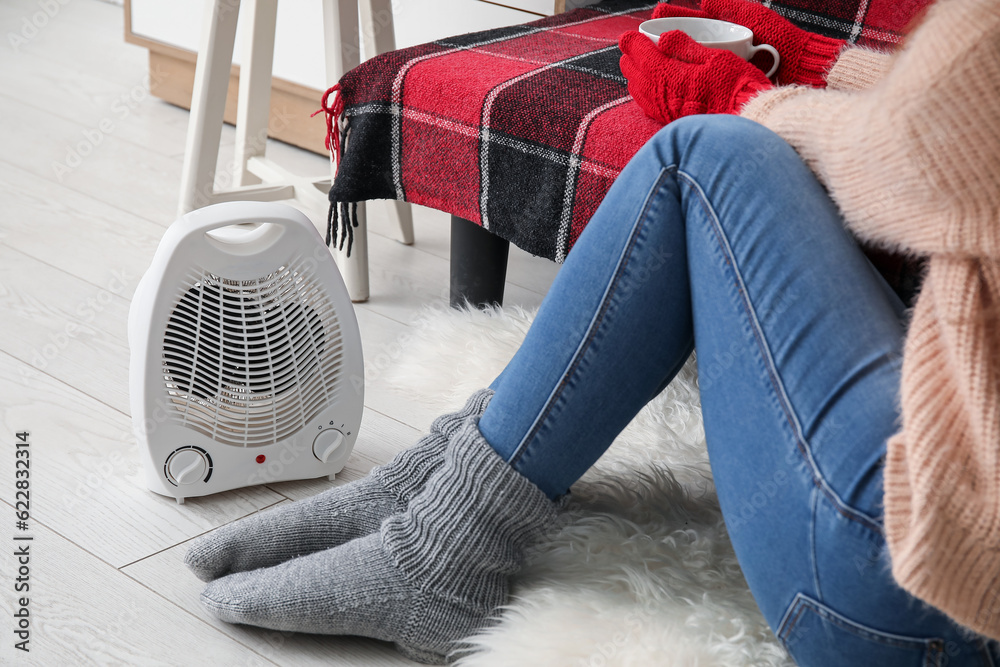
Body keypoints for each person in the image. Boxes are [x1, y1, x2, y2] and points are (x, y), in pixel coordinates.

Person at [183, 0, 1000, 664]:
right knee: (717, 155)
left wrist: (746, 95)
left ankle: (442, 554)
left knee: (702, 157)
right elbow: (952, 112)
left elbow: (910, 155)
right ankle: (426, 492)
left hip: (911, 596)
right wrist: (802, 57)